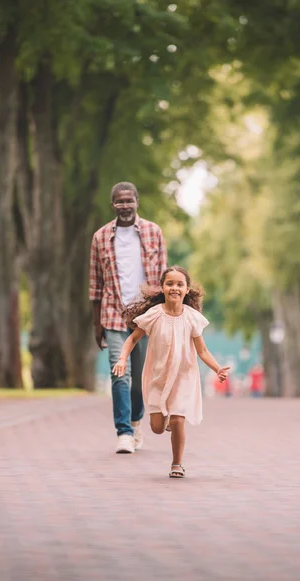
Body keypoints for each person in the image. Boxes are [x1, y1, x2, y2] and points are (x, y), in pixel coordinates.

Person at [112, 266, 230, 478]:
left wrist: (217, 368)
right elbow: (131, 339)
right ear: (163, 288)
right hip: (158, 377)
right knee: (157, 427)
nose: (174, 288)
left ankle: (177, 464)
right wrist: (122, 358)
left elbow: (202, 351)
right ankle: (164, 421)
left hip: (184, 376)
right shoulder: (154, 315)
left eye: (179, 284)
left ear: (186, 290)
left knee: (178, 420)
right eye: (170, 284)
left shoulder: (192, 318)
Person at [89, 181, 167, 454]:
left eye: (129, 201)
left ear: (137, 202)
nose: (124, 206)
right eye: (119, 201)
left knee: (141, 377)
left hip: (145, 317)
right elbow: (95, 285)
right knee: (119, 374)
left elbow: (163, 280)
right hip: (112, 315)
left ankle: (135, 422)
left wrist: (164, 316)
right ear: (113, 205)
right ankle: (123, 432)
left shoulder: (153, 232)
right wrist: (96, 323)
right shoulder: (100, 237)